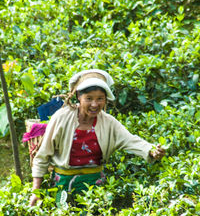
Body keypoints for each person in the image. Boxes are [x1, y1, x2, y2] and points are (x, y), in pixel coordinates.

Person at [30, 69, 165, 206]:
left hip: (95, 186)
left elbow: (131, 140)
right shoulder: (61, 118)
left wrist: (151, 150)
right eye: (89, 98)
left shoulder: (109, 122)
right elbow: (43, 156)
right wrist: (36, 192)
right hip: (63, 185)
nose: (95, 104)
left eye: (100, 98)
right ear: (78, 97)